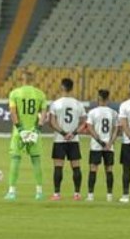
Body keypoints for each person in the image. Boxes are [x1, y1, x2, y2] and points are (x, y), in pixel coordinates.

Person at [5, 70, 48, 201]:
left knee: (15, 160)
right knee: (36, 161)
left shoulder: (15, 93)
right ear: (32, 80)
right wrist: (37, 130)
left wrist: (20, 129)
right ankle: (39, 192)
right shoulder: (40, 94)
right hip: (34, 132)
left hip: (19, 133)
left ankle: (12, 192)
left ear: (22, 80)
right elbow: (44, 114)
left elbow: (13, 113)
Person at [49, 78, 86, 201]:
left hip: (60, 139)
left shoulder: (56, 103)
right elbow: (84, 122)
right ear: (72, 88)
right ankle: (77, 194)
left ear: (62, 87)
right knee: (76, 166)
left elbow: (52, 122)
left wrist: (63, 133)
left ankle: (57, 194)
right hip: (74, 140)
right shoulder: (78, 104)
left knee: (58, 167)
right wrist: (73, 133)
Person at [85, 89, 119, 202]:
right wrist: (109, 143)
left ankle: (90, 195)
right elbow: (116, 130)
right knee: (109, 170)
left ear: (98, 98)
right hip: (109, 146)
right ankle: (109, 196)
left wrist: (100, 142)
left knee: (93, 169)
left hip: (96, 146)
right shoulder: (113, 112)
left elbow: (90, 128)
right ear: (108, 99)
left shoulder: (93, 112)